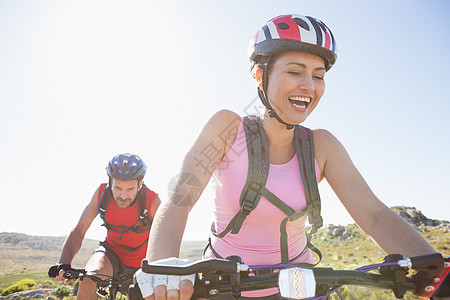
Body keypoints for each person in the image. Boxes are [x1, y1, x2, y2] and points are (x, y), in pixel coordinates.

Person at [136, 14, 439, 299]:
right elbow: (179, 199)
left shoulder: (322, 145)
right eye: (295, 71)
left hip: (296, 278)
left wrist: (436, 271)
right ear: (259, 75)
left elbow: (373, 215)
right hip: (226, 283)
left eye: (318, 75)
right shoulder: (227, 129)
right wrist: (162, 269)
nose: (308, 85)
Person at [49, 153, 161, 299]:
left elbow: (166, 240)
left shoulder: (152, 202)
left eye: (130, 189)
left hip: (143, 263)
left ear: (140, 185)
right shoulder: (102, 195)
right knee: (89, 277)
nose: (123, 196)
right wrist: (64, 263)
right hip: (111, 255)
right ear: (110, 182)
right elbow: (80, 229)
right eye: (118, 188)